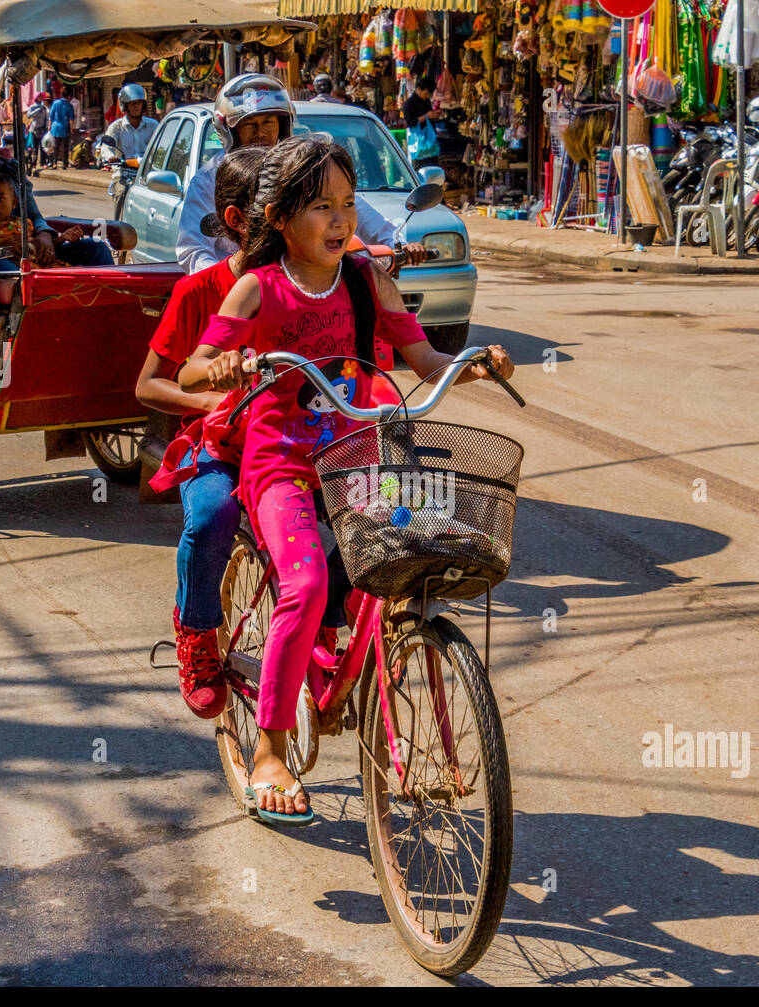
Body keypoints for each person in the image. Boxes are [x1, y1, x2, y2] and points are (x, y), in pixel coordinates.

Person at [178, 137, 513, 820]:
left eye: (348, 205)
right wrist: (221, 370)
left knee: (423, 545)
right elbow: (191, 369)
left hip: (358, 452)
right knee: (303, 582)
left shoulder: (366, 280)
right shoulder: (257, 288)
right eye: (321, 206)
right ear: (277, 217)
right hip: (282, 467)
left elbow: (420, 358)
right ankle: (271, 746)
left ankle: (360, 658)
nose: (340, 220)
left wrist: (471, 365)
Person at [135, 147, 268, 715]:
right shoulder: (197, 291)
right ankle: (195, 633)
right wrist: (212, 396)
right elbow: (148, 385)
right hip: (217, 444)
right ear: (239, 221)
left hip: (291, 439)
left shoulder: (309, 282)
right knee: (213, 514)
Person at [175, 74, 421, 273]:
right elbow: (194, 249)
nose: (260, 133)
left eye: (268, 123)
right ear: (229, 130)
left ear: (282, 125)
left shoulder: (302, 167)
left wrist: (394, 242)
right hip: (241, 290)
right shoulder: (210, 180)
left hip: (304, 282)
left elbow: (356, 210)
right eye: (250, 125)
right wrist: (225, 281)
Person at [0, 93, 113, 267]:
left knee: (96, 248)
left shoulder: (10, 168)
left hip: (29, 249)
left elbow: (33, 215)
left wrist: (44, 236)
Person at [0, 176, 86, 267]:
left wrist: (62, 238)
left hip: (40, 265)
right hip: (14, 270)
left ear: (14, 202)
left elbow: (37, 248)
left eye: (0, 199)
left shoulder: (24, 223)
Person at [104, 84, 159, 161]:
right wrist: (110, 157)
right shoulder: (116, 127)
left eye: (139, 103)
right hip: (123, 171)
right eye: (132, 103)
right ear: (125, 106)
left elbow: (161, 147)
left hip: (146, 171)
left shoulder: (153, 125)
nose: (136, 106)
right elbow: (106, 147)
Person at [48, 88, 76, 170]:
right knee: (65, 147)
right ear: (68, 96)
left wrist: (49, 127)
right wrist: (71, 130)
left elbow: (51, 116)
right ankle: (64, 163)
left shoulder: (55, 103)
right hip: (64, 128)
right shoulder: (69, 106)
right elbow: (71, 119)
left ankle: (54, 162)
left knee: (55, 146)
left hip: (55, 127)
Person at [25, 93, 50, 171]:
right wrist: (37, 110)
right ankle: (33, 162)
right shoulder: (33, 107)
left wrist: (46, 128)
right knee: (34, 147)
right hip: (34, 130)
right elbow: (28, 115)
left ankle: (43, 163)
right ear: (36, 98)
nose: (41, 98)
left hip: (43, 130)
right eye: (39, 97)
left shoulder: (44, 108)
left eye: (42, 97)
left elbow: (47, 118)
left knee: (43, 147)